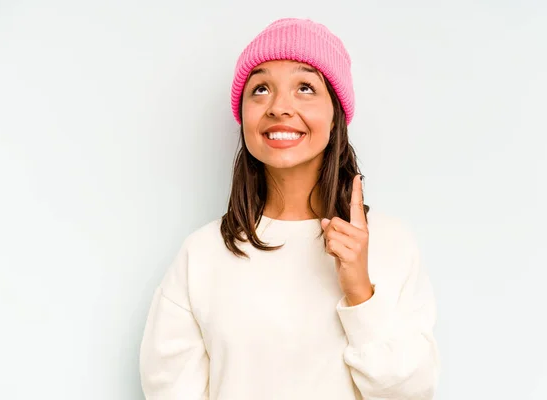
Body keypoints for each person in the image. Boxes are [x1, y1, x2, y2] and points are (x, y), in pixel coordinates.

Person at [139, 17, 440, 400]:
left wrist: (360, 291)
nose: (280, 107)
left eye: (305, 87)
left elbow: (412, 394)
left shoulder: (391, 244)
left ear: (336, 113)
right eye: (261, 88)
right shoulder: (201, 254)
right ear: (243, 115)